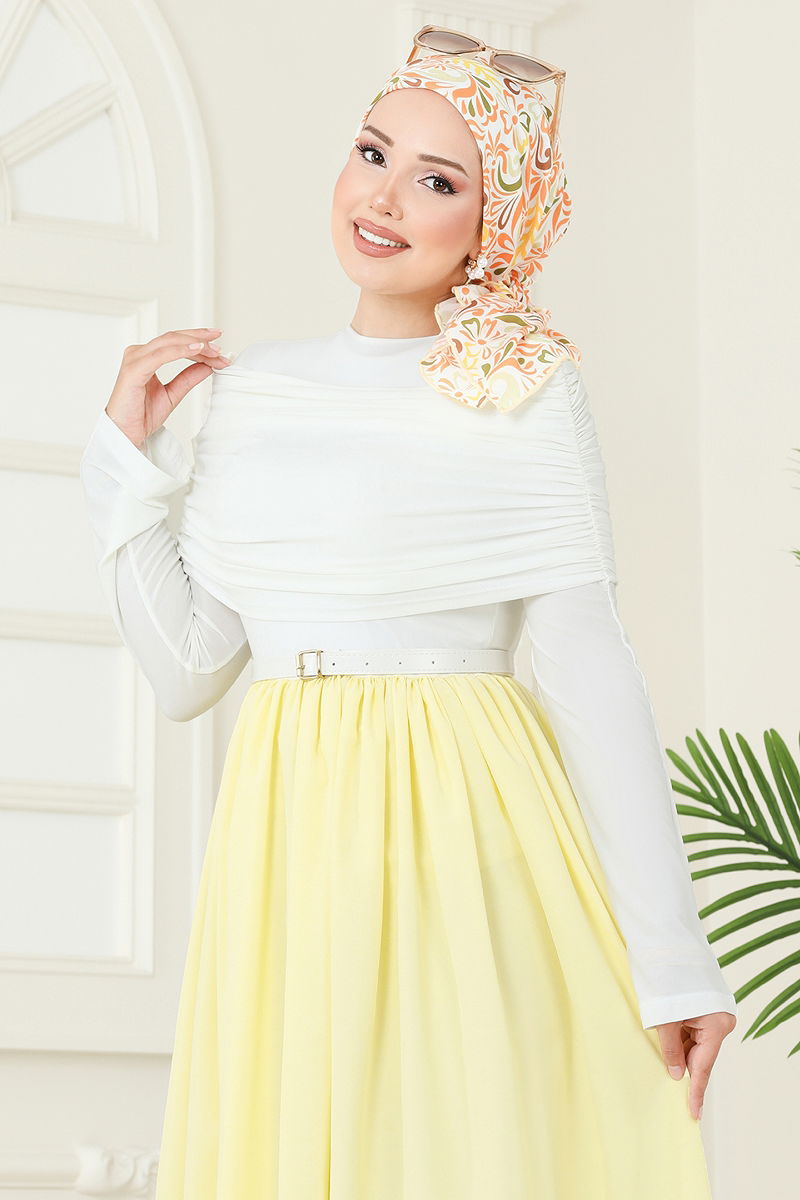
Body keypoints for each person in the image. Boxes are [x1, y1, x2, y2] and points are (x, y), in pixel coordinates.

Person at [79, 31, 737, 1200]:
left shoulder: (527, 389)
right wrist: (124, 469)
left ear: (493, 225)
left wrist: (672, 961)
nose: (382, 198)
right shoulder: (247, 395)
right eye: (373, 152)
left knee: (459, 1149)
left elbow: (588, 667)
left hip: (466, 814)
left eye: (436, 179)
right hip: (284, 830)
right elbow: (188, 667)